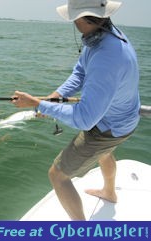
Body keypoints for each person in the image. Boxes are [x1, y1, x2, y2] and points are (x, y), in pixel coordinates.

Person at [12, 0, 140, 220]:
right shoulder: (105, 35)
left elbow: (84, 120)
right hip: (123, 119)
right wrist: (57, 96)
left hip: (109, 127)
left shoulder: (106, 58)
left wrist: (39, 104)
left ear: (81, 19)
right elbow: (80, 71)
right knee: (105, 151)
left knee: (58, 175)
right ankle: (109, 193)